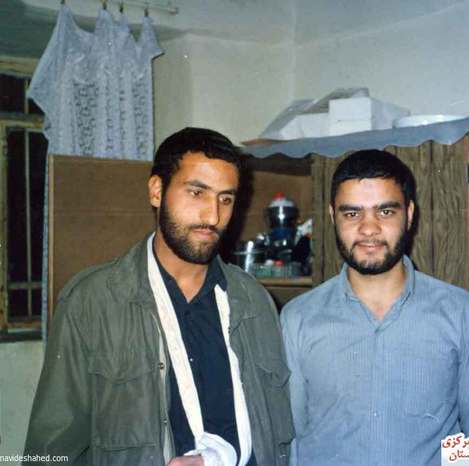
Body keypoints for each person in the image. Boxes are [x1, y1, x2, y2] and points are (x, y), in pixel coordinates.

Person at [24, 128, 293, 466]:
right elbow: (50, 451)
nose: (213, 216)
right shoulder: (93, 302)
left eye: (225, 199)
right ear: (156, 191)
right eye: (197, 192)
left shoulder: (254, 301)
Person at [280, 149, 469, 466]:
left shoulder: (461, 313)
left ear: (409, 214)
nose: (368, 228)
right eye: (352, 214)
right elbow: (290, 443)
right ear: (333, 216)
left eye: (385, 212)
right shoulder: (298, 319)